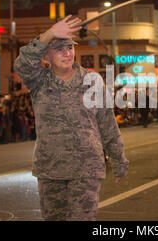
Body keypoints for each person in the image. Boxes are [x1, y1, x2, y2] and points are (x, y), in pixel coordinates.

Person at [14, 15, 129, 221]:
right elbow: (22, 64)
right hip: (50, 168)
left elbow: (107, 123)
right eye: (59, 49)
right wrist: (49, 34)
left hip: (86, 168)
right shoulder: (39, 81)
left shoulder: (92, 81)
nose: (67, 53)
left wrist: (119, 160)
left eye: (70, 48)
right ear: (46, 56)